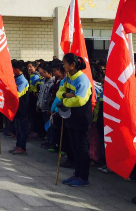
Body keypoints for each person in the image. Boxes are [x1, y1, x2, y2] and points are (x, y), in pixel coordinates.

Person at [52, 53, 93, 187]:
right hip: (71, 117)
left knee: (82, 148)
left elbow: (80, 99)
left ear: (73, 65)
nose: (63, 66)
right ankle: (77, 174)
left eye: (64, 63)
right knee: (74, 147)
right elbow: (59, 91)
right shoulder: (68, 78)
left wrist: (64, 101)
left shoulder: (83, 79)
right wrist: (66, 95)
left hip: (81, 118)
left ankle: (84, 177)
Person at [9, 61, 29, 155]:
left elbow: (17, 94)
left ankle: (22, 147)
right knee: (17, 128)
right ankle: (18, 145)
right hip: (16, 107)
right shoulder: (15, 78)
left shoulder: (23, 81)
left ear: (17, 69)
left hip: (22, 108)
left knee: (22, 128)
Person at [37, 63, 55, 149]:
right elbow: (41, 94)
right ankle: (48, 139)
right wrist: (38, 104)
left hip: (48, 109)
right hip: (42, 107)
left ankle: (52, 141)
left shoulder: (53, 82)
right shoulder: (43, 81)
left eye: (44, 72)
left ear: (50, 73)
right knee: (46, 125)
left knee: (50, 126)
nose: (42, 74)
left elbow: (51, 97)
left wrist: (50, 108)